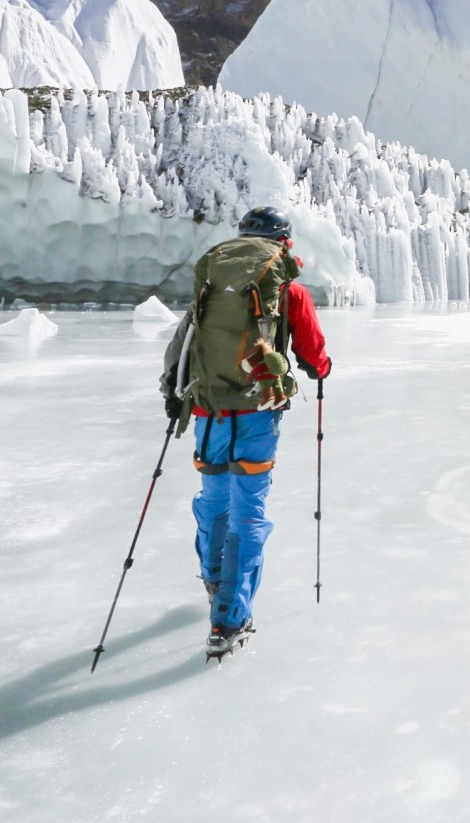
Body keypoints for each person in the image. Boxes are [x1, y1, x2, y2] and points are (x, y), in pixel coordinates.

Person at [160, 206, 331, 658]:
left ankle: (215, 581)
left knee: (213, 497)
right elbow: (314, 355)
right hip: (257, 410)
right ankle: (229, 617)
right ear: (284, 243)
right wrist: (321, 369)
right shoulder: (287, 289)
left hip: (207, 409)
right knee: (248, 509)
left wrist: (172, 393)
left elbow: (184, 340)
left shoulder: (214, 284)